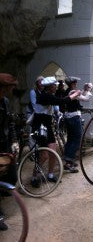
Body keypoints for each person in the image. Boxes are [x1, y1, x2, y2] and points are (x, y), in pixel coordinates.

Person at [32, 76, 81, 184]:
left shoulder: (49, 95)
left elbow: (58, 103)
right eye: (55, 85)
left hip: (47, 126)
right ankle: (34, 176)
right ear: (49, 86)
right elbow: (61, 101)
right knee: (44, 155)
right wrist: (74, 95)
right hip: (39, 126)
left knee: (53, 152)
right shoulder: (45, 96)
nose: (56, 87)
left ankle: (50, 174)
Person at [0, 73, 19, 231]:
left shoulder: (5, 102)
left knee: (12, 175)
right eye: (11, 86)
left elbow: (10, 122)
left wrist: (14, 141)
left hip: (4, 143)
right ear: (4, 88)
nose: (13, 89)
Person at [64, 77, 92, 173]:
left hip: (69, 117)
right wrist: (88, 90)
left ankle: (68, 160)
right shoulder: (72, 92)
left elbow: (80, 95)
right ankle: (69, 163)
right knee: (77, 139)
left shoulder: (69, 91)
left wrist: (84, 90)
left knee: (71, 138)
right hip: (74, 117)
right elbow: (85, 99)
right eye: (75, 83)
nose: (76, 84)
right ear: (72, 84)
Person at [26, 75, 44, 149]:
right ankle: (32, 151)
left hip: (39, 113)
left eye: (43, 82)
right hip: (31, 113)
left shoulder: (43, 93)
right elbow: (34, 104)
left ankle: (39, 149)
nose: (42, 84)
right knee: (32, 132)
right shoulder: (33, 92)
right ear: (37, 83)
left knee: (40, 131)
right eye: (40, 82)